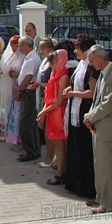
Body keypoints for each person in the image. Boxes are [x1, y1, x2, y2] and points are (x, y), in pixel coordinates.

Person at [83, 45, 112, 214]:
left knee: (106, 164)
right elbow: (97, 100)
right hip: (99, 124)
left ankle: (109, 202)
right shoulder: (103, 73)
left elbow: (108, 103)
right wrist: (90, 116)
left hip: (108, 125)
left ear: (100, 58)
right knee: (99, 163)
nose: (91, 64)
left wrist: (91, 116)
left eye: (92, 60)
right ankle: (100, 197)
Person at [62, 34, 99, 199]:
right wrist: (69, 89)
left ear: (84, 50)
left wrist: (74, 93)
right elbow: (74, 82)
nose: (75, 51)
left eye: (77, 48)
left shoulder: (91, 67)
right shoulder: (80, 65)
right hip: (74, 109)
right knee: (74, 147)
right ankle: (74, 182)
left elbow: (92, 92)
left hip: (84, 109)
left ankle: (86, 186)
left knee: (84, 150)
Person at [37, 49, 70, 185]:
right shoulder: (54, 75)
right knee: (58, 144)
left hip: (59, 113)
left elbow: (59, 101)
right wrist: (44, 111)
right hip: (52, 111)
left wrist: (44, 111)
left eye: (53, 62)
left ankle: (60, 173)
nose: (51, 65)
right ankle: (60, 168)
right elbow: (49, 98)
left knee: (61, 144)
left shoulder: (63, 77)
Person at [15, 35, 42, 161]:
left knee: (25, 124)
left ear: (26, 45)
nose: (19, 48)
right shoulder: (28, 57)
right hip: (26, 92)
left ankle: (31, 151)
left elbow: (28, 77)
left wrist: (20, 90)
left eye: (20, 45)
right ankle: (34, 150)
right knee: (30, 124)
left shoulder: (32, 59)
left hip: (28, 93)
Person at [33, 38, 56, 166]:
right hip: (43, 96)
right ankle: (49, 155)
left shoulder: (52, 63)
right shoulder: (45, 62)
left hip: (49, 97)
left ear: (50, 50)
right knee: (45, 127)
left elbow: (52, 83)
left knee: (49, 128)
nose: (41, 52)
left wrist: (39, 84)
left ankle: (51, 156)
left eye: (43, 49)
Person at [0, 35, 23, 146]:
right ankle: (10, 135)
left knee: (17, 113)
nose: (14, 48)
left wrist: (16, 74)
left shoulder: (22, 56)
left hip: (17, 86)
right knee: (8, 110)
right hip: (9, 85)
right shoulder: (8, 55)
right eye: (12, 45)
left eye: (16, 45)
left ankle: (18, 138)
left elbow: (24, 72)